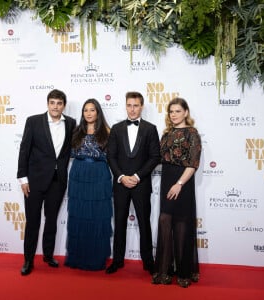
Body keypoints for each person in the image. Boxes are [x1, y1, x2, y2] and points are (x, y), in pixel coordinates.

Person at [17, 89, 76, 276]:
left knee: (51, 221)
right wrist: (23, 178)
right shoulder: (33, 121)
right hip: (34, 181)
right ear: (48, 104)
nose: (55, 106)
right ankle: (28, 260)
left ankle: (48, 255)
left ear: (64, 105)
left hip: (57, 182)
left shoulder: (71, 124)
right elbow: (24, 150)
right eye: (52, 102)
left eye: (59, 103)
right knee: (32, 222)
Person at [106, 91, 160, 275]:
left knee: (144, 223)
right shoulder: (116, 128)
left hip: (141, 184)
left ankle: (148, 262)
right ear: (125, 105)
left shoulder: (150, 129)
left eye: (136, 105)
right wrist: (121, 177)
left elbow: (155, 157)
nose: (132, 109)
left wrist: (137, 176)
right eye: (129, 105)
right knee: (119, 222)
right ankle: (117, 260)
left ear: (142, 106)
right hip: (120, 184)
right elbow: (111, 156)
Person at [152, 97, 202, 288]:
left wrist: (179, 183)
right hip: (166, 180)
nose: (174, 115)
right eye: (171, 111)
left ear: (186, 113)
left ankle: (183, 272)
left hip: (182, 182)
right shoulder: (166, 134)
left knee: (181, 225)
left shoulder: (192, 134)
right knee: (165, 221)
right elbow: (156, 157)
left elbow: (193, 164)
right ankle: (164, 270)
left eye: (177, 111)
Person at [64, 98, 112, 270]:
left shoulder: (107, 131)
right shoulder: (76, 131)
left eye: (92, 110)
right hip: (78, 175)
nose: (89, 113)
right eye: (86, 110)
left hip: (99, 176)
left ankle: (95, 258)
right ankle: (78, 257)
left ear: (98, 112)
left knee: (97, 216)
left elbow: (113, 157)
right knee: (79, 216)